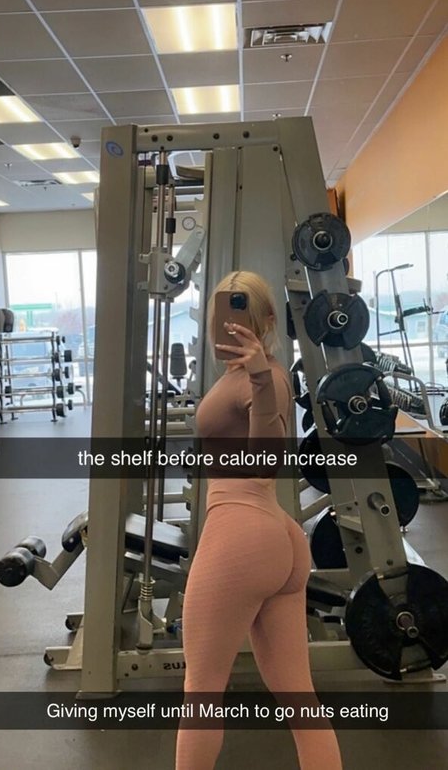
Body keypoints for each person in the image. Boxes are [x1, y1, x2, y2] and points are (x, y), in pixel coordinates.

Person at [175, 271, 342, 770]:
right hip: (277, 536)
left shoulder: (266, 377)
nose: (227, 328)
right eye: (220, 318)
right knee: (298, 697)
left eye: (240, 316)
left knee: (201, 693)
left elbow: (267, 461)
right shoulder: (248, 376)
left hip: (240, 534)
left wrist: (260, 381)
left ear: (267, 321)